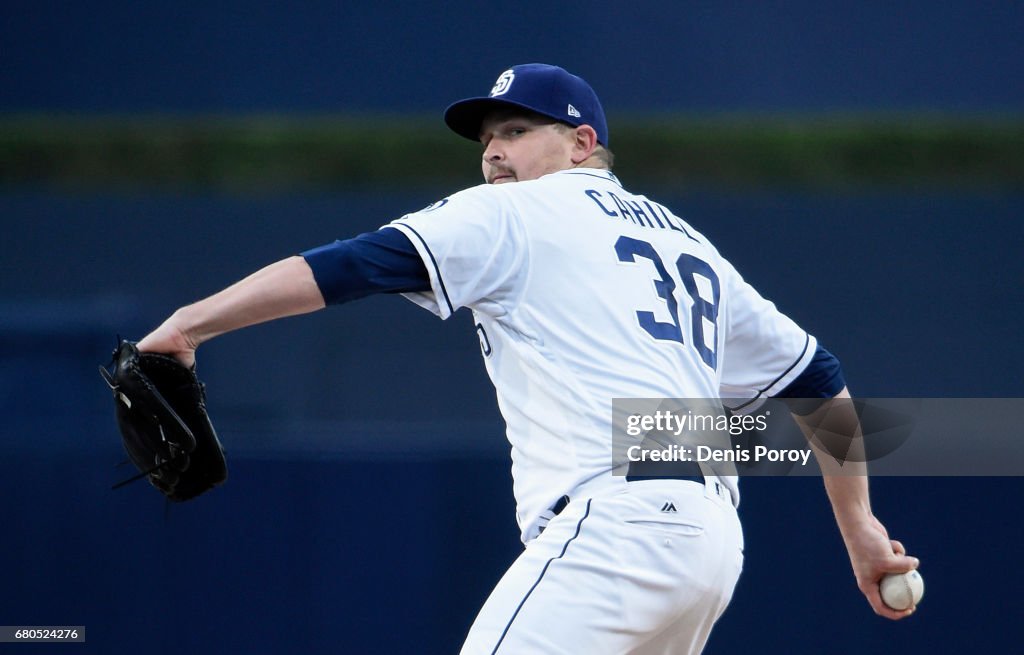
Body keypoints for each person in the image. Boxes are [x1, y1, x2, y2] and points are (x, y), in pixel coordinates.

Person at [137, 63, 919, 654]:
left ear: (583, 143)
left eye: (516, 131)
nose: (494, 155)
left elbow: (343, 268)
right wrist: (858, 525)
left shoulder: (515, 214)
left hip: (618, 528)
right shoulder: (687, 242)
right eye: (487, 141)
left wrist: (188, 325)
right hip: (711, 549)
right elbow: (819, 377)